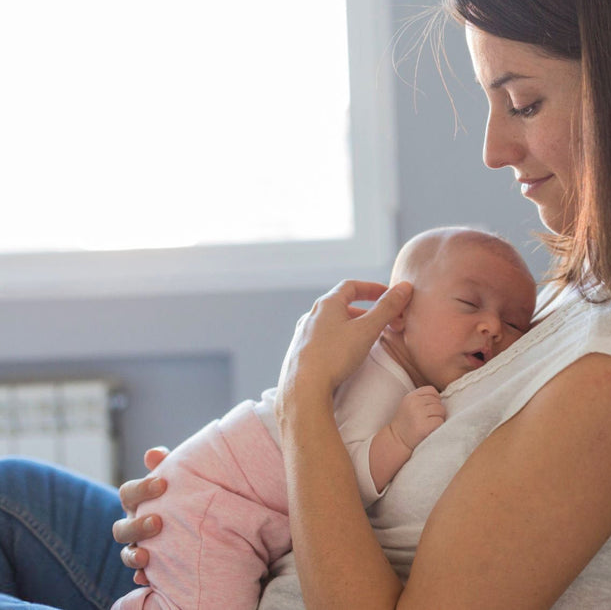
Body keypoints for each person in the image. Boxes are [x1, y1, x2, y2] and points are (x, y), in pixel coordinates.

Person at [1, 0, 611, 609]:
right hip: (253, 558)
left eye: (524, 101)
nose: (493, 149)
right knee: (12, 490)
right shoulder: (580, 290)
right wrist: (208, 494)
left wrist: (302, 409)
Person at [106, 226, 533, 610]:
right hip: (218, 504)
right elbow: (334, 482)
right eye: (469, 303)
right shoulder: (380, 377)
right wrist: (399, 437)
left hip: (216, 500)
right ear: (398, 311)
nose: (493, 326)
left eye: (514, 322)